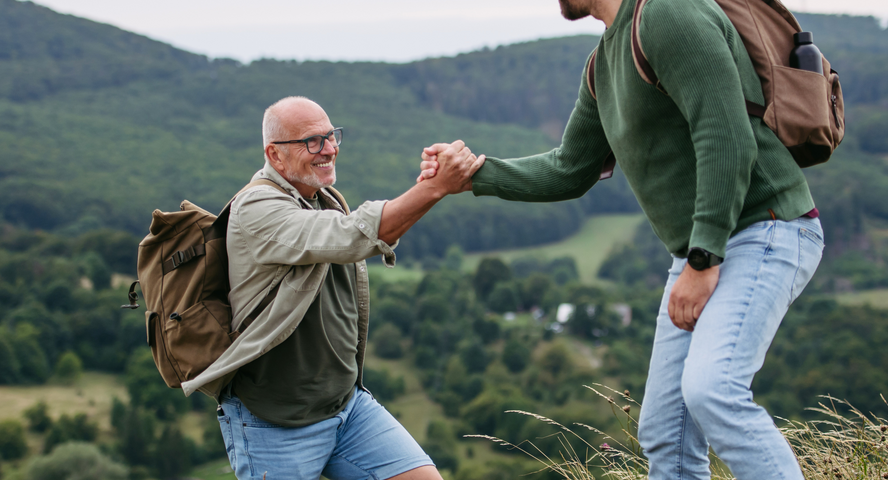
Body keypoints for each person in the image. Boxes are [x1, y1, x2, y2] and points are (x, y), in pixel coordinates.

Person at [418, 0, 824, 477]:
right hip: (703, 250)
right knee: (665, 432)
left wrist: (703, 260)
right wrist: (473, 174)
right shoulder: (604, 62)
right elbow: (570, 168)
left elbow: (727, 134)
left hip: (763, 228)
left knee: (713, 391)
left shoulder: (668, 14)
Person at [182, 96, 484, 480]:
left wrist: (432, 183)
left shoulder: (319, 198)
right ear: (275, 155)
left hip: (347, 408)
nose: (329, 149)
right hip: (275, 421)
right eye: (312, 141)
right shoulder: (256, 208)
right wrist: (436, 187)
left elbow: (360, 232)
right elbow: (353, 236)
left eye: (331, 136)